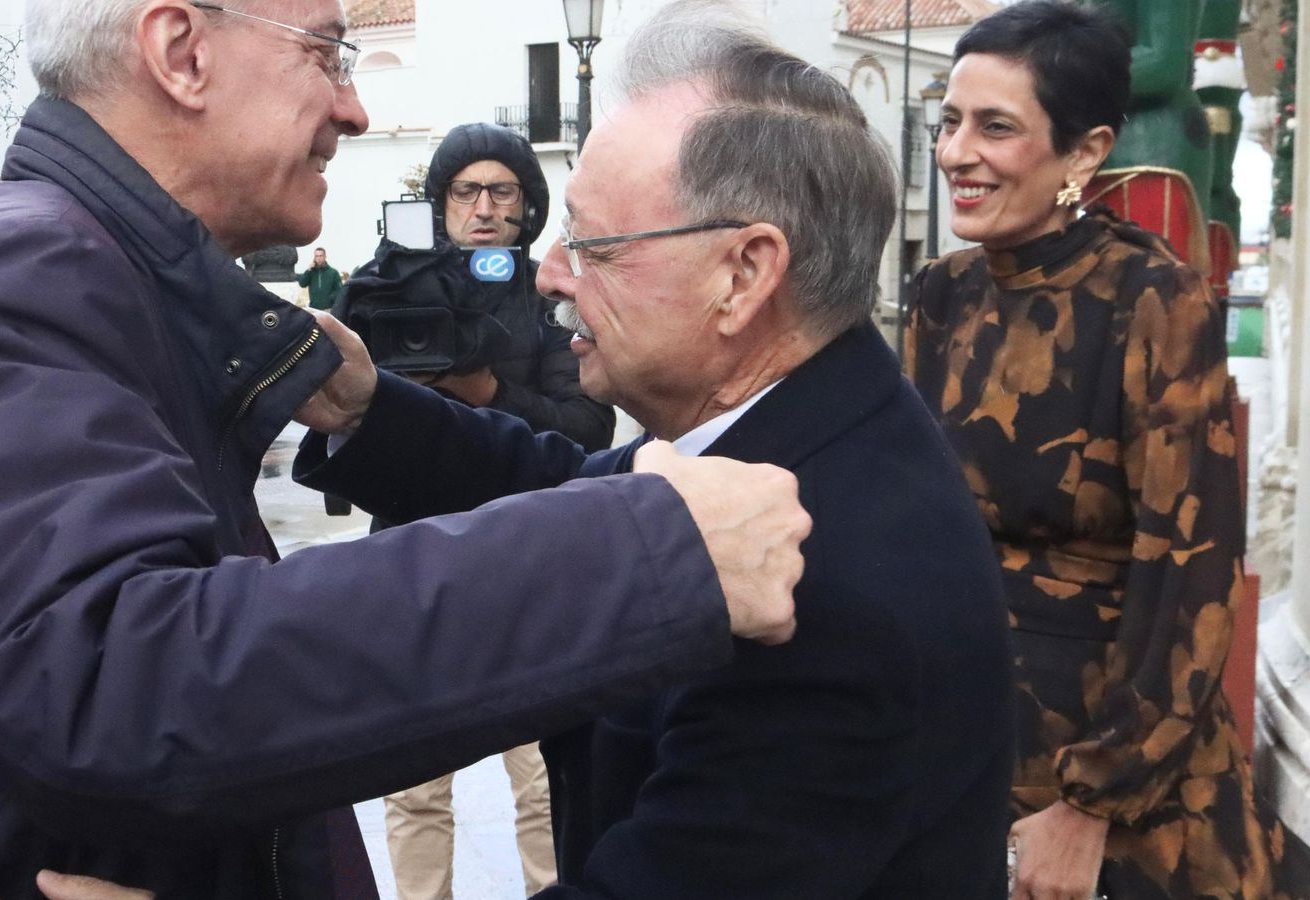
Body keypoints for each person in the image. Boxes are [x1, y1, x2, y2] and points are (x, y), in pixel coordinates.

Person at [0, 0, 815, 896]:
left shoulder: (92, 271)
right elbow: (115, 681)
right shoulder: (23, 276)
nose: (353, 103)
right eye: (326, 50)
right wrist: (636, 556)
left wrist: (363, 407)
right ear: (181, 51)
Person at [289, 2, 1016, 895]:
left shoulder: (827, 600)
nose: (552, 272)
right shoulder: (792, 426)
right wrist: (367, 407)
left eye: (594, 245)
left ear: (743, 274)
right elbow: (570, 485)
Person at [905, 2, 1288, 897]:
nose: (958, 152)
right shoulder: (941, 294)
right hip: (966, 750)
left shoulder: (1150, 297)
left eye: (997, 127)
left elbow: (1189, 571)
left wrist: (1094, 799)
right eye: (951, 121)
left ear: (1085, 152)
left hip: (1123, 774)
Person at [374, 123, 613, 900]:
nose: (483, 207)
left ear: (526, 205)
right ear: (439, 205)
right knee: (414, 784)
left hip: (531, 564)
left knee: (546, 775)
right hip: (415, 559)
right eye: (465, 191)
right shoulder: (396, 292)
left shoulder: (551, 295)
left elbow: (587, 428)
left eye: (501, 190)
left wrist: (486, 395)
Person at [297, 245, 343, 309]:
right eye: (316, 256)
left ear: (325, 257)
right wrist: (308, 270)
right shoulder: (311, 272)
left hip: (328, 309)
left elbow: (339, 290)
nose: (318, 258)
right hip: (314, 309)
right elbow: (302, 284)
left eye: (321, 256)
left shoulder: (333, 272)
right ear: (314, 257)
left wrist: (330, 299)